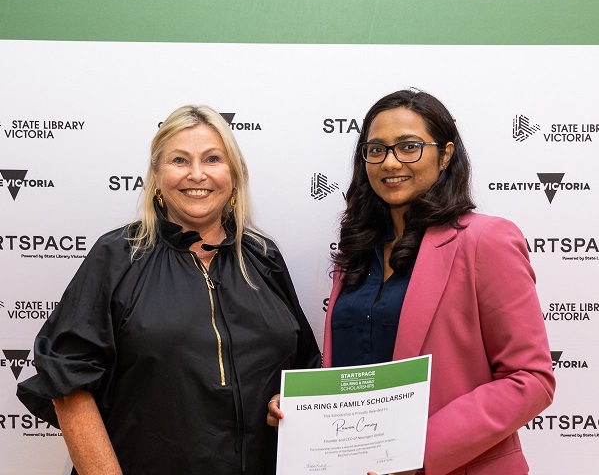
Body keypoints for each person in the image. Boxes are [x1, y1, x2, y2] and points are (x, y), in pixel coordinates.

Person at [18, 105, 320, 475]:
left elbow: (304, 367)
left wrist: (282, 402)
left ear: (234, 176)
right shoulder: (117, 256)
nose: (197, 174)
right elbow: (67, 384)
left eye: (213, 159)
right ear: (157, 176)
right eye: (180, 160)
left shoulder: (263, 257)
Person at [270, 89, 555, 475]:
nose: (390, 162)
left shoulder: (485, 241)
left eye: (409, 147)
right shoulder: (358, 249)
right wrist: (304, 411)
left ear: (446, 154)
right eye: (376, 149)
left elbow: (531, 379)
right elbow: (358, 366)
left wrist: (416, 449)